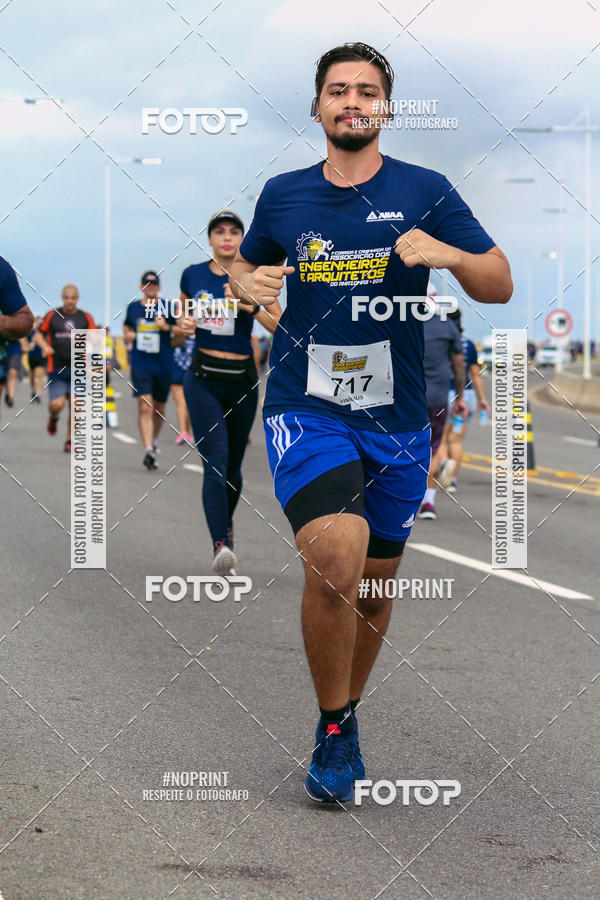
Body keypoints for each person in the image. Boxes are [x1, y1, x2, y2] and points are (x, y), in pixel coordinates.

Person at [229, 42, 512, 803]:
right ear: (317, 107)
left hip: (396, 419)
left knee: (376, 589)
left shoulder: (426, 189)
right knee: (335, 558)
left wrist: (447, 252)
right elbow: (244, 271)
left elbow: (500, 282)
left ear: (385, 106)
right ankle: (329, 731)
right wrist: (243, 279)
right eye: (337, 90)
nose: (351, 101)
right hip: (306, 405)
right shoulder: (283, 195)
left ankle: (346, 712)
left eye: (366, 90)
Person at [175, 210, 282, 575]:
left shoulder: (254, 275)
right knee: (215, 462)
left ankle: (226, 527)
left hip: (241, 380)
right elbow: (177, 331)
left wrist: (247, 305)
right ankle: (220, 544)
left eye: (234, 232)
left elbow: (279, 324)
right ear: (209, 239)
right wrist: (183, 328)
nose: (227, 238)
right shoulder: (192, 275)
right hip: (203, 377)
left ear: (242, 239)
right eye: (219, 232)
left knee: (234, 470)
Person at [417, 306, 466, 519]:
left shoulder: (398, 319)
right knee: (434, 449)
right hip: (436, 399)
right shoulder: (447, 326)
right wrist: (460, 397)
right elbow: (459, 365)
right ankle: (428, 501)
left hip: (406, 398)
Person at [123, 271, 174, 470]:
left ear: (159, 287)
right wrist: (128, 335)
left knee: (159, 408)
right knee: (145, 406)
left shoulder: (169, 307)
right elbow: (127, 327)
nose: (150, 287)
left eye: (153, 284)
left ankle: (153, 440)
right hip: (140, 363)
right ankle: (147, 450)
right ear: (141, 286)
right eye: (147, 284)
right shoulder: (134, 308)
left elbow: (182, 331)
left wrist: (166, 328)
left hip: (163, 364)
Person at [37, 285, 96, 452]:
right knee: (57, 404)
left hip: (79, 368)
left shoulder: (85, 317)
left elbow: (95, 339)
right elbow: (39, 334)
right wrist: (44, 346)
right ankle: (54, 417)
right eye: (67, 298)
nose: (70, 301)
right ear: (62, 297)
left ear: (77, 298)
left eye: (73, 298)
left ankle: (70, 440)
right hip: (56, 368)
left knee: (76, 405)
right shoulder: (52, 315)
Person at [438, 309, 490, 494]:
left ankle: (443, 465)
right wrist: (482, 399)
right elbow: (476, 375)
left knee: (440, 439)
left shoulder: (439, 341)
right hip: (466, 395)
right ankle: (452, 481)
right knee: (456, 440)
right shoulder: (468, 344)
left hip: (443, 393)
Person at [0, 257, 33, 423]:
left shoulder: (2, 269)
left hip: (9, 348)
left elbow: (25, 319)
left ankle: (10, 395)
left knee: (12, 373)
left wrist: (5, 322)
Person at [171, 330, 195, 445]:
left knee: (189, 404)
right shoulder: (174, 336)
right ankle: (183, 432)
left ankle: (187, 431)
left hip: (192, 375)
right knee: (182, 403)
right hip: (177, 374)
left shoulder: (199, 335)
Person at [27, 316, 46, 402]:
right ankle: (33, 391)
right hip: (31, 356)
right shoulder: (30, 332)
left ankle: (38, 394)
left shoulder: (44, 333)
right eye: (38, 322)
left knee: (40, 375)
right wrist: (27, 346)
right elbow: (24, 341)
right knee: (32, 376)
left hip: (41, 356)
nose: (39, 323)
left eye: (40, 322)